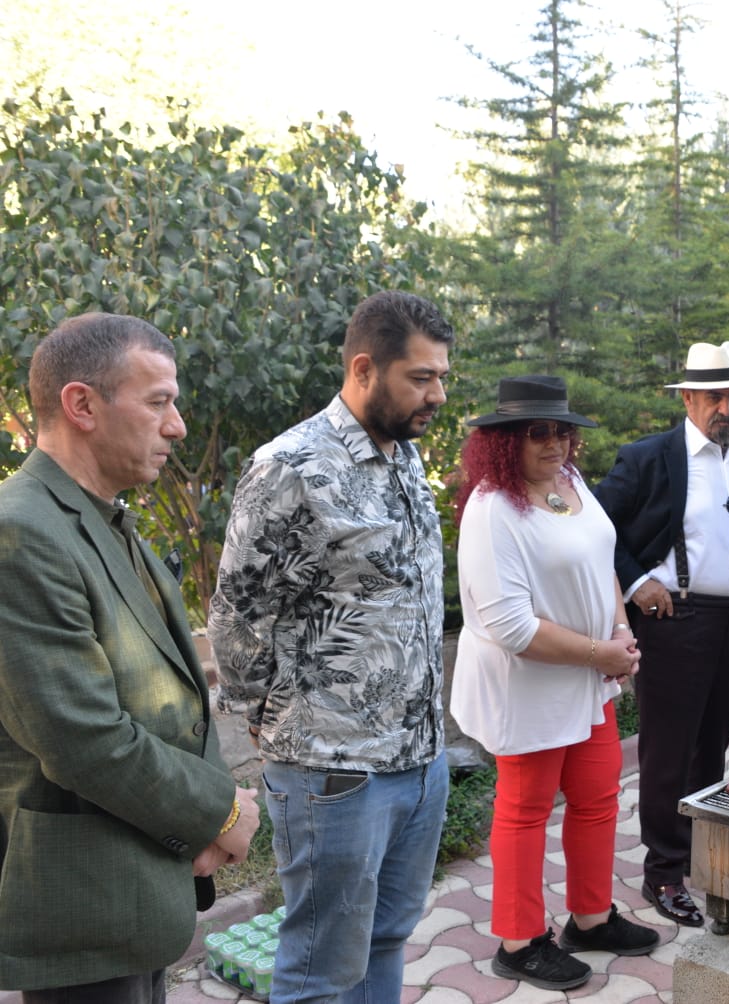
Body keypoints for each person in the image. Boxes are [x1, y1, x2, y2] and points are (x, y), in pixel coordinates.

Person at [0, 313, 259, 1002]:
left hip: (137, 889)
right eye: (158, 402)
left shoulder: (104, 520)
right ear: (82, 405)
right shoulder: (20, 531)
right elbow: (81, 739)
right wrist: (219, 812)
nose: (177, 426)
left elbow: (172, 698)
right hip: (84, 911)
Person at [209, 291, 454, 1002]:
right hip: (334, 772)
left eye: (442, 377)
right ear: (363, 369)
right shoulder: (290, 466)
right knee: (320, 967)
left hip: (419, 760)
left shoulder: (404, 456)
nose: (437, 395)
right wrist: (268, 719)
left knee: (386, 938)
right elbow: (237, 616)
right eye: (420, 378)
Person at [451, 376, 660, 991]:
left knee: (597, 794)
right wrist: (601, 653)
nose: (554, 443)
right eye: (536, 432)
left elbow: (601, 562)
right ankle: (519, 942)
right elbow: (512, 627)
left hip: (589, 678)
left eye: (562, 431)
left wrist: (620, 632)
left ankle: (590, 919)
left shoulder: (569, 483)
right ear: (504, 441)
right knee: (525, 810)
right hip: (530, 686)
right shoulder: (493, 508)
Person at [594, 341, 729, 928]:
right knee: (668, 749)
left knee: (713, 741)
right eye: (716, 397)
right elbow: (595, 527)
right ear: (688, 398)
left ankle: (699, 851)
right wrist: (636, 580)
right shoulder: (650, 457)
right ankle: (664, 871)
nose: (727, 408)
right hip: (677, 621)